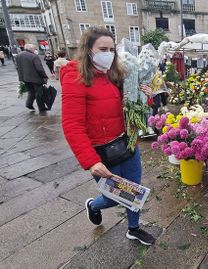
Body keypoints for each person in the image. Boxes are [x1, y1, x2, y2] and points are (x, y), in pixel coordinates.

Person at [60, 27, 156, 245]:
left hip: (126, 141)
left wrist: (146, 98)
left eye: (112, 49)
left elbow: (129, 106)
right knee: (114, 197)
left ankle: (134, 228)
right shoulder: (75, 77)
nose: (109, 54)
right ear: (88, 50)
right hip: (101, 152)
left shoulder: (116, 74)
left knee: (133, 190)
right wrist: (91, 161)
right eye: (103, 49)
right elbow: (72, 124)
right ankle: (94, 205)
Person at [16, 44, 48, 111]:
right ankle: (41, 108)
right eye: (34, 49)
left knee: (31, 92)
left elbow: (17, 67)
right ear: (32, 49)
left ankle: (29, 104)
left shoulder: (18, 55)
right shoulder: (34, 56)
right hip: (35, 78)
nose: (35, 50)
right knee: (39, 93)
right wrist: (44, 76)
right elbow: (39, 68)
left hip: (25, 78)